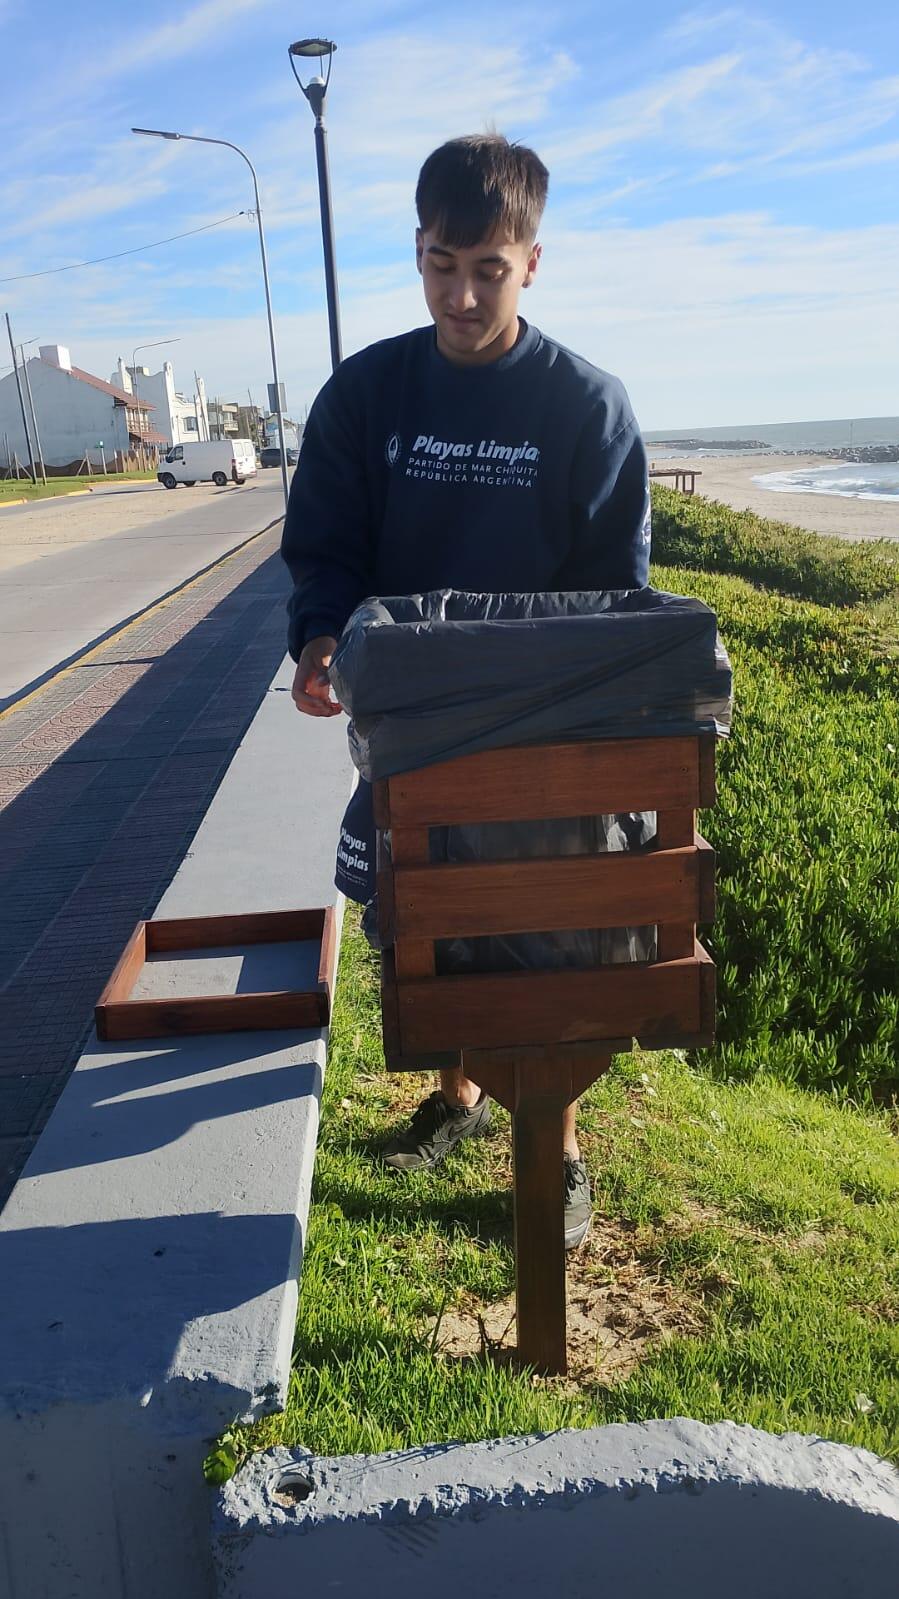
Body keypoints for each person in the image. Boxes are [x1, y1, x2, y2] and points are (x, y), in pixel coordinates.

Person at [281, 134, 651, 1249]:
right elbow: (327, 547)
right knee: (424, 924)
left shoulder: (586, 405)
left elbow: (614, 592)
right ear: (416, 250)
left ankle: (561, 1142)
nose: (461, 291)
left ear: (531, 262)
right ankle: (457, 1094)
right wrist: (315, 641)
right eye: (442, 263)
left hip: (544, 735)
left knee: (548, 934)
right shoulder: (367, 393)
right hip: (412, 731)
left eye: (488, 267)